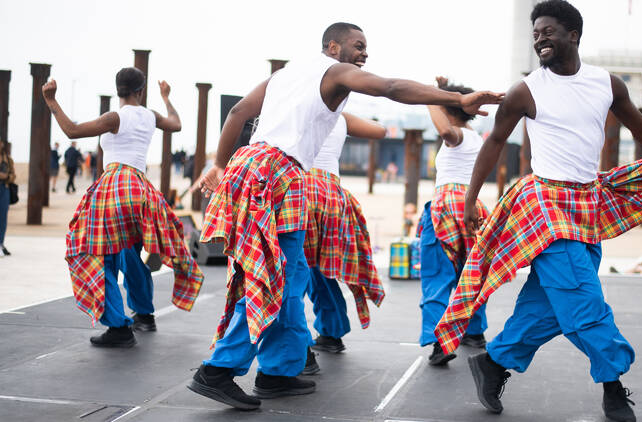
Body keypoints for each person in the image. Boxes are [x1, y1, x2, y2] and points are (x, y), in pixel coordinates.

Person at [433, 2, 642, 421]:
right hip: (544, 205)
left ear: (574, 35)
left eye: (547, 31)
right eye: (535, 33)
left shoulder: (606, 84)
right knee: (583, 301)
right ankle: (612, 386)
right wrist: (468, 200)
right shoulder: (526, 90)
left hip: (588, 204)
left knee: (549, 304)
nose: (539, 39)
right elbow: (496, 140)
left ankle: (494, 361)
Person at [188, 22, 502, 411]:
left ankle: (277, 370)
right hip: (278, 173)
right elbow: (389, 87)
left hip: (259, 168)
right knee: (276, 276)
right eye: (358, 45)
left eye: (366, 47)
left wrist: (219, 164)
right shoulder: (334, 72)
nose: (364, 53)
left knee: (294, 273)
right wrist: (456, 96)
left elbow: (237, 111)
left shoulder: (284, 75)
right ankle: (218, 370)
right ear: (332, 46)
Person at [42, 68, 203, 348]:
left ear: (118, 90)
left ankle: (117, 327)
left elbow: (72, 131)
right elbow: (176, 124)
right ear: (140, 90)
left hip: (115, 187)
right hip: (141, 190)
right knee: (130, 252)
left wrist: (51, 100)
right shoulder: (149, 115)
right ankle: (144, 313)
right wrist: (166, 98)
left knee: (98, 254)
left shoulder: (115, 117)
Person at [418, 76, 491, 366]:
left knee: (437, 275)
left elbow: (446, 132)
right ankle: (474, 332)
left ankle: (440, 340)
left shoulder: (458, 135)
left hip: (447, 204)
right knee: (469, 272)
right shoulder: (475, 136)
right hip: (471, 205)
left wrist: (430, 96)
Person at [304, 112, 386, 365]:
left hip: (302, 186)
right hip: (332, 192)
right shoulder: (341, 115)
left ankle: (296, 348)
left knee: (292, 271)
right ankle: (332, 331)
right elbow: (380, 130)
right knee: (322, 268)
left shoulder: (301, 105)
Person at [0, 139, 15, 256]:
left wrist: (7, 177)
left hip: (4, 188)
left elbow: (13, 175)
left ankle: (1, 243)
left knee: (3, 217)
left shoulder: (8, 159)